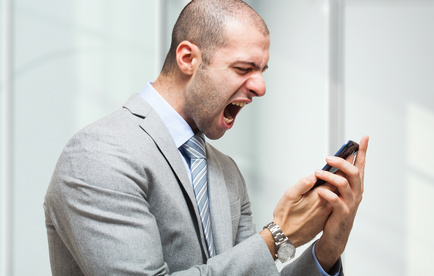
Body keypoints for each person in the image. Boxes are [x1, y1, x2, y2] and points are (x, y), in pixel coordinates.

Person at [44, 0, 369, 275]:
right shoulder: (99, 154)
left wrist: (328, 247)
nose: (260, 87)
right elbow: (262, 251)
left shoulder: (226, 171)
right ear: (188, 59)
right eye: (244, 69)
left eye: (262, 71)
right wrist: (277, 235)